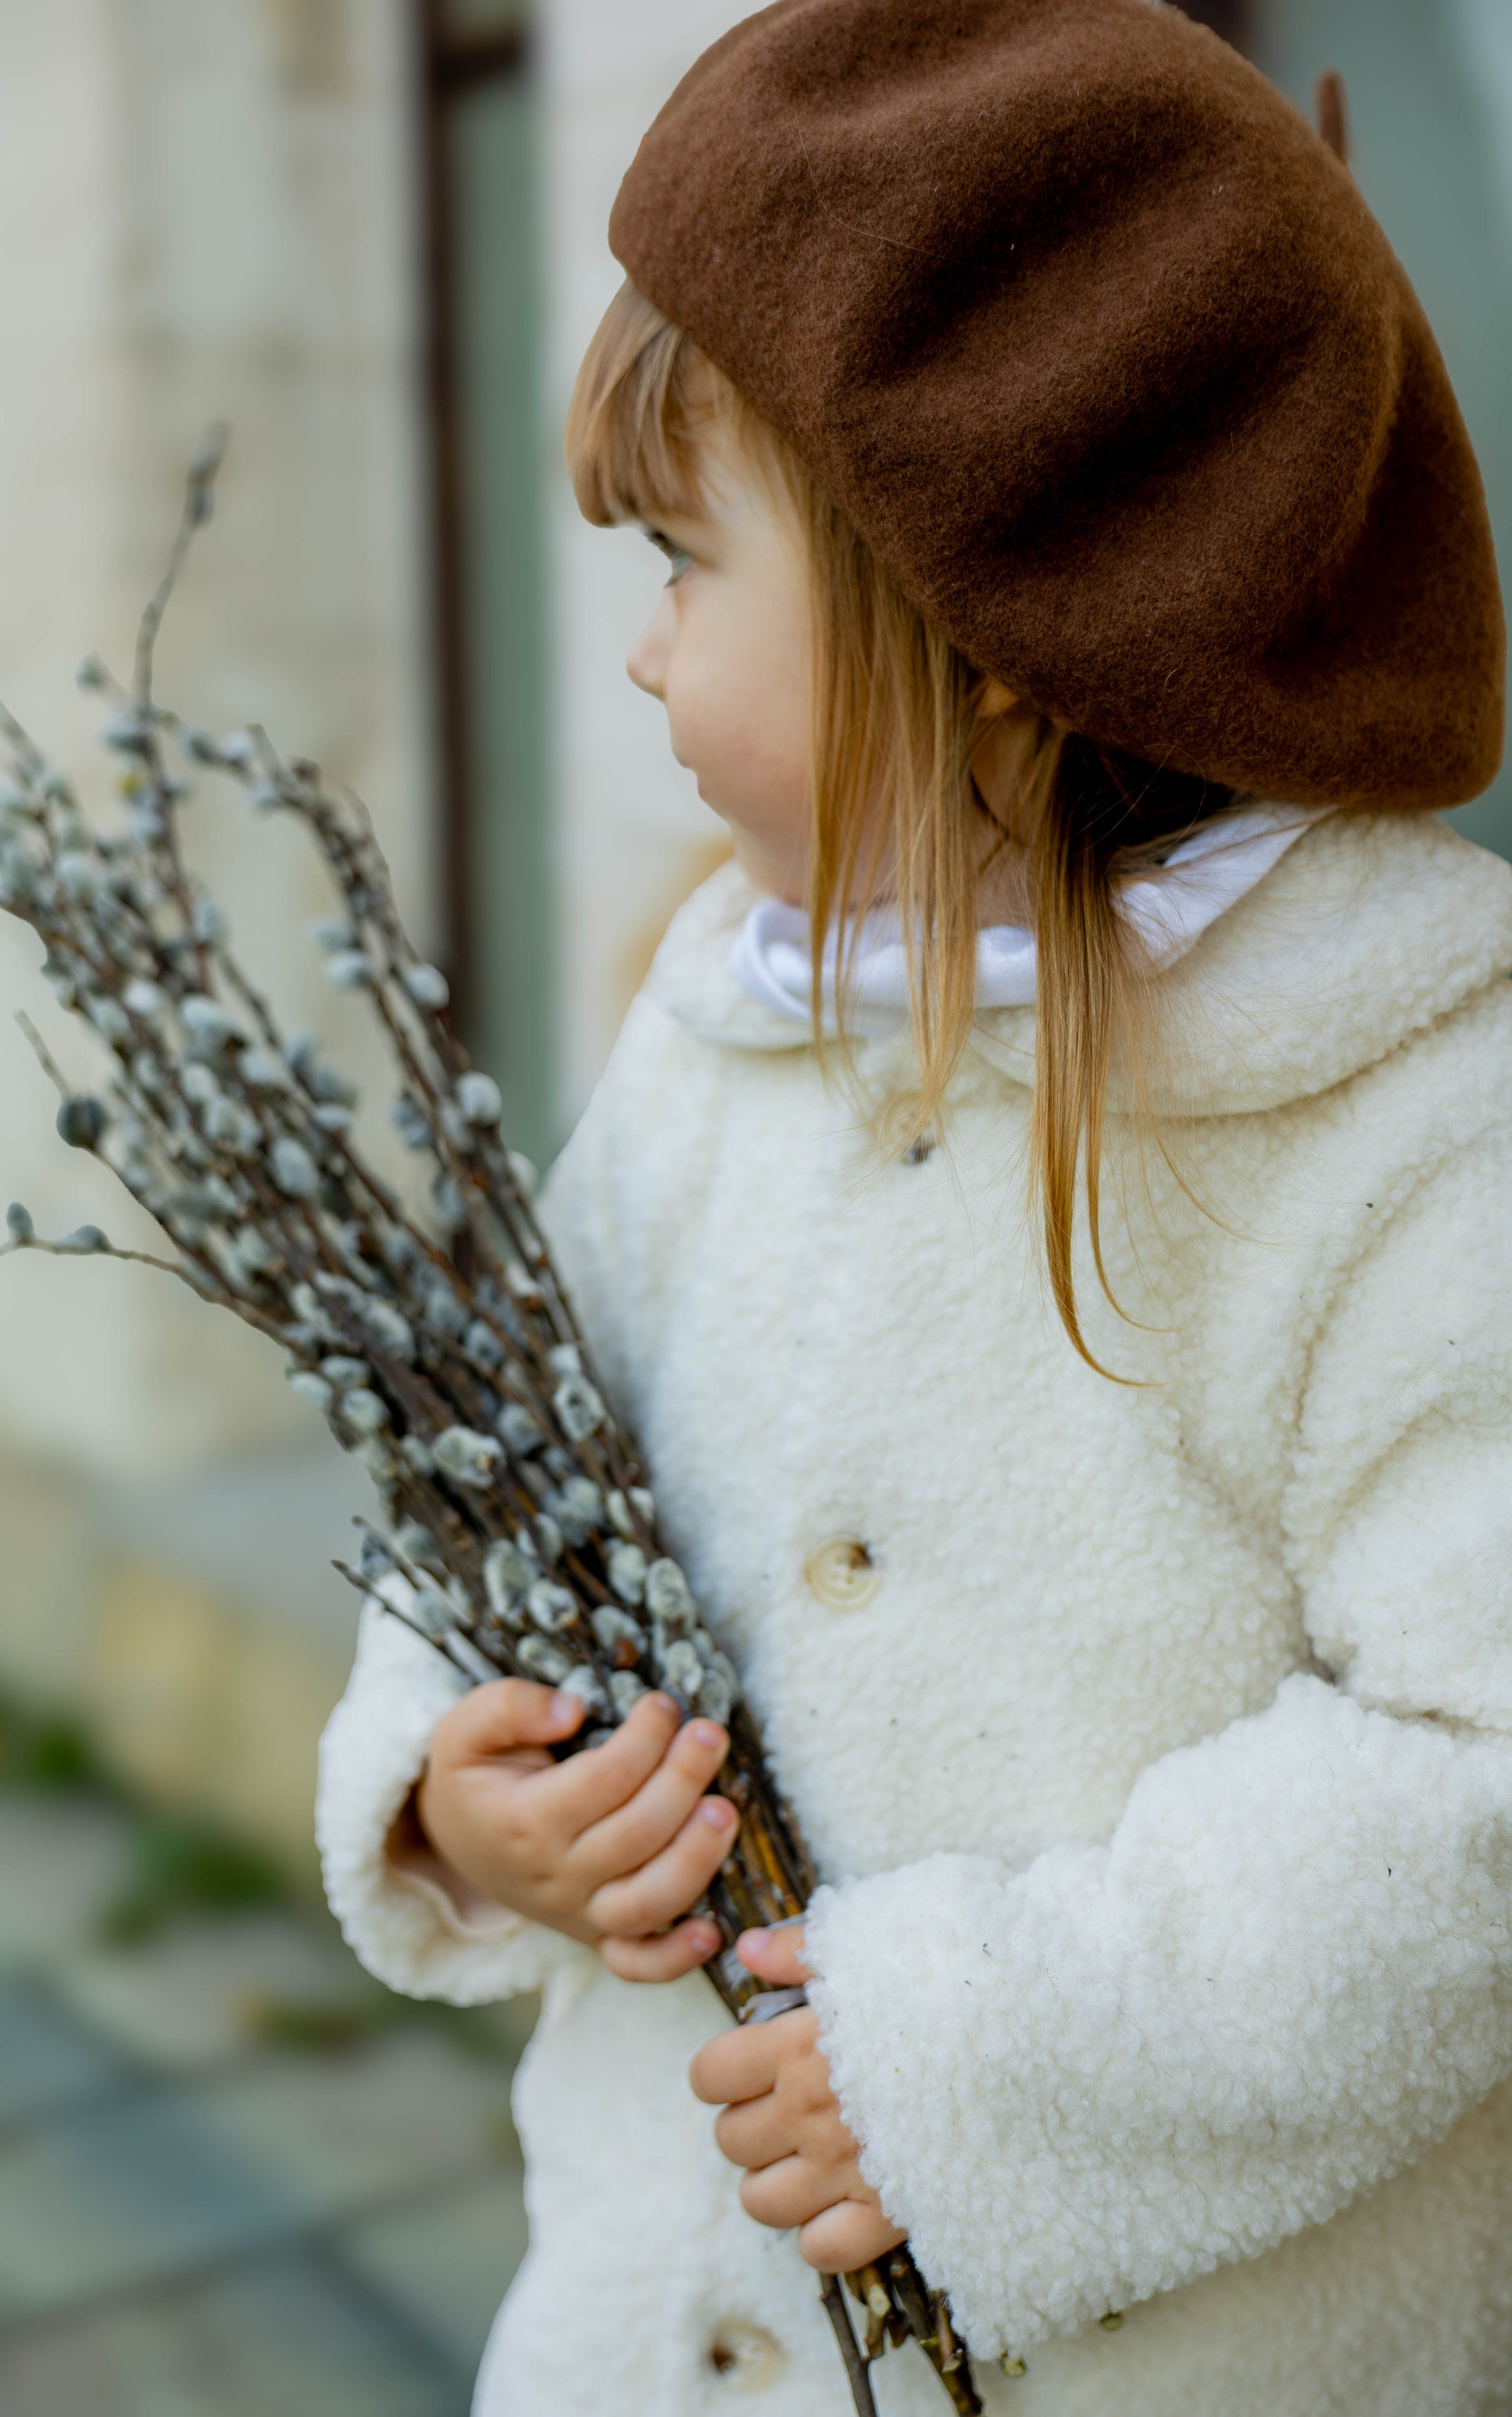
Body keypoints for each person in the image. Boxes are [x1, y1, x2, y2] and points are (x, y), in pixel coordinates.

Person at [317, 3, 1512, 2408]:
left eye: (682, 557)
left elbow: (1475, 1771)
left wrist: (968, 2069)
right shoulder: (722, 1021)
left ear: (974, 627)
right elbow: (523, 1462)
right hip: (664, 2331)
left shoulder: (1407, 1128)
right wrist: (470, 1784)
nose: (639, 650)